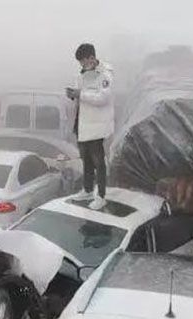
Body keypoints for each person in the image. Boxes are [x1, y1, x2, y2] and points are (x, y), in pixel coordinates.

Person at [66, 43, 114, 210]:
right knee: (85, 158)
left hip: (96, 126)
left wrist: (81, 94)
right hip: (82, 122)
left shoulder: (105, 74)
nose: (82, 65)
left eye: (83, 61)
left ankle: (101, 196)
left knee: (98, 161)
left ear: (91, 58)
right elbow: (82, 93)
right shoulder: (82, 73)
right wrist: (74, 94)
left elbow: (103, 98)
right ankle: (87, 189)